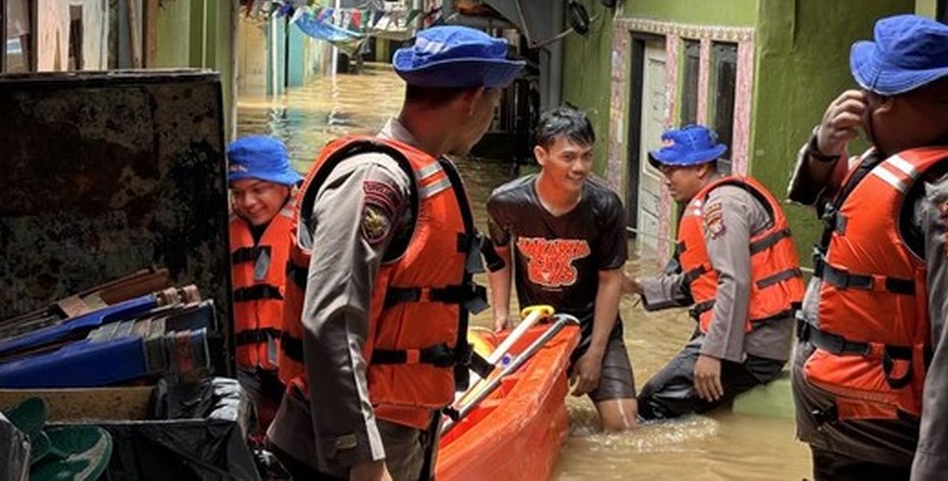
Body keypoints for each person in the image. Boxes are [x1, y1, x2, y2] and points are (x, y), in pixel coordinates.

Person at [787, 14, 948, 481]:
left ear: (888, 102)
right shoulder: (897, 162)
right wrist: (824, 148)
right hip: (857, 444)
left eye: (868, 93)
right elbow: (833, 210)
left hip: (905, 456)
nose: (859, 104)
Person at [267, 25, 524, 481]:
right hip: (342, 451)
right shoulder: (374, 180)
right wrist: (362, 456)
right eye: (494, 103)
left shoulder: (424, 173)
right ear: (472, 100)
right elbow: (331, 320)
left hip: (402, 434)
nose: (490, 117)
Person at [624, 124, 805, 421]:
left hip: (751, 348)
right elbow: (699, 284)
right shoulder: (716, 201)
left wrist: (712, 354)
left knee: (653, 401)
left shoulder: (722, 205)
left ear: (701, 167)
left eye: (672, 170)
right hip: (746, 340)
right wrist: (636, 286)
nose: (666, 180)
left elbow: (734, 281)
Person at [484, 107, 638, 432]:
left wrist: (595, 353)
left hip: (594, 328)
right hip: (539, 328)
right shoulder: (506, 202)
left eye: (586, 156)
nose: (579, 167)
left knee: (623, 429)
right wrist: (501, 314)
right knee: (525, 426)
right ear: (541, 155)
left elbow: (611, 281)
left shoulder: (605, 206)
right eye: (568, 157)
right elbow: (498, 254)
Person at [227, 134, 302, 433]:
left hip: (298, 369)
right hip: (245, 369)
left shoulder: (311, 228)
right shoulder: (224, 230)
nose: (248, 202)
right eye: (238, 192)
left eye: (259, 189)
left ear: (286, 185)